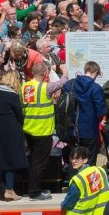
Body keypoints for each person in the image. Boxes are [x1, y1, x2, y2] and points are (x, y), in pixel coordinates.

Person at [22, 62, 68, 201]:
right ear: (46, 74)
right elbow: (62, 82)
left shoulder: (25, 86)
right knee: (39, 163)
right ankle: (34, 192)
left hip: (28, 129)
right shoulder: (46, 87)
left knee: (33, 161)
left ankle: (32, 187)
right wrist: (64, 71)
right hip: (43, 130)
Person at [0, 71, 28, 201]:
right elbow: (19, 115)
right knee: (11, 160)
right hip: (11, 129)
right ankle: (10, 190)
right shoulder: (12, 95)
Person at [64, 61, 106, 166]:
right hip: (90, 130)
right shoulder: (96, 88)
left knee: (74, 160)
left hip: (72, 129)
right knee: (89, 161)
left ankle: (73, 181)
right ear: (95, 72)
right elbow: (101, 111)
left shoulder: (70, 84)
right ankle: (86, 181)